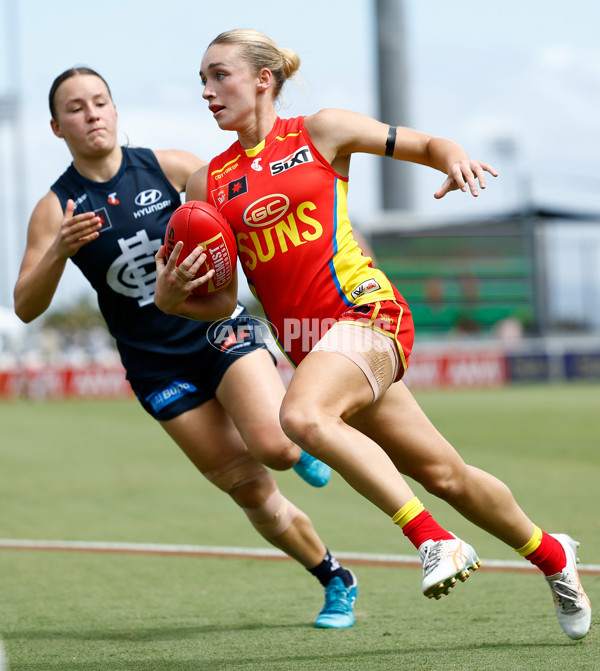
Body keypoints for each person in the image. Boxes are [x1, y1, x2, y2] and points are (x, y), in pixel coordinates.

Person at [154, 30, 591, 641]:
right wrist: (174, 299)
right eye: (202, 79)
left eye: (218, 75)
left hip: (368, 314)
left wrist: (453, 158)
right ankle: (554, 556)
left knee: (302, 417)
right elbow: (224, 301)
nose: (206, 90)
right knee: (445, 474)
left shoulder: (322, 130)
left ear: (262, 78)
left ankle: (433, 540)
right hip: (315, 344)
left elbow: (426, 142)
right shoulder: (208, 185)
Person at [13, 66, 360, 629]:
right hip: (155, 366)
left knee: (273, 446)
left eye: (100, 101)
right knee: (251, 492)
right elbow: (26, 305)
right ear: (57, 127)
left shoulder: (168, 166)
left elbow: (244, 208)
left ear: (116, 110)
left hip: (216, 329)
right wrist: (57, 251)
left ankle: (300, 437)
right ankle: (335, 578)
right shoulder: (57, 208)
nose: (92, 114)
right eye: (76, 108)